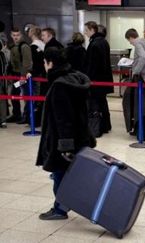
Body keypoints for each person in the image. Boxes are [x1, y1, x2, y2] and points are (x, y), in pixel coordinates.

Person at [36, 47, 95, 220]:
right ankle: (67, 206)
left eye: (45, 63)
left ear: (51, 63)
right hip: (81, 136)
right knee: (71, 175)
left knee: (60, 175)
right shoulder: (75, 79)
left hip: (64, 140)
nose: (45, 67)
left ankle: (60, 209)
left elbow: (63, 119)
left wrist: (65, 146)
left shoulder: (59, 86)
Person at [123, 28, 145, 136]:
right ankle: (142, 128)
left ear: (132, 37)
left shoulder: (138, 44)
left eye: (129, 40)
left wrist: (135, 71)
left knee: (136, 103)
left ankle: (138, 128)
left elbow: (143, 57)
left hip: (140, 77)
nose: (130, 43)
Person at [84, 21, 114, 135]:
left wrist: (88, 79)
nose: (85, 33)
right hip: (104, 80)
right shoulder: (103, 42)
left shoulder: (94, 44)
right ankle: (105, 125)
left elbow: (92, 65)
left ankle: (96, 129)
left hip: (95, 81)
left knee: (95, 104)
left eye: (86, 30)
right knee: (102, 102)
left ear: (92, 30)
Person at [8, 27, 32, 124]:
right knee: (14, 94)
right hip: (15, 75)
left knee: (26, 95)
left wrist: (23, 75)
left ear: (21, 35)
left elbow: (27, 62)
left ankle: (25, 116)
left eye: (17, 35)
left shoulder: (24, 46)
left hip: (22, 75)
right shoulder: (12, 46)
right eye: (14, 35)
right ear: (11, 35)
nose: (16, 37)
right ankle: (17, 114)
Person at [27, 26, 46, 127]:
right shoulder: (42, 44)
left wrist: (32, 72)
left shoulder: (33, 46)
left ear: (32, 33)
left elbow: (36, 63)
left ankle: (35, 120)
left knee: (36, 98)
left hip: (37, 76)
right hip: (43, 74)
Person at [0, 39, 7, 128]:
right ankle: (3, 120)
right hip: (1, 79)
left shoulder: (1, 54)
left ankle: (3, 120)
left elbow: (3, 68)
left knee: (1, 99)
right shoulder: (2, 55)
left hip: (0, 79)